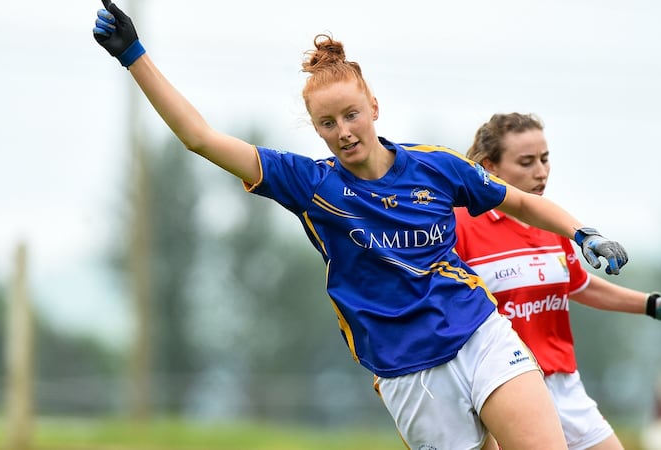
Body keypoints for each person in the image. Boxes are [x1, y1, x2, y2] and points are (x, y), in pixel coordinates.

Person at [92, 3, 630, 448]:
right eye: (328, 123)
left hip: (479, 333)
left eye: (351, 114)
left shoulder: (435, 166)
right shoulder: (309, 184)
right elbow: (202, 139)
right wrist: (135, 57)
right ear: (317, 129)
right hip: (407, 371)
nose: (344, 131)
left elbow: (522, 203)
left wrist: (584, 233)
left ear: (373, 106)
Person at [454, 112, 661, 450]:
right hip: (506, 388)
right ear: (490, 166)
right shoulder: (460, 226)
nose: (541, 171)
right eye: (526, 161)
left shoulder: (553, 222)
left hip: (564, 386)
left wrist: (653, 304)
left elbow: (580, 285)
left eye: (545, 159)